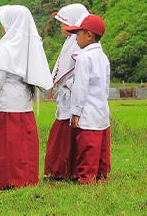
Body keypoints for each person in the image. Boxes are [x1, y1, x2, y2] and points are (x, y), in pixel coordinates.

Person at [0, 5, 53, 191]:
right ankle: (27, 178)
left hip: (6, 102)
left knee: (8, 145)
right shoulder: (29, 44)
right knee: (23, 144)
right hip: (24, 102)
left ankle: (7, 180)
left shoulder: (6, 46)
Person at [64, 13, 111, 184]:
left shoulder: (83, 57)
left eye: (78, 34)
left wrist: (75, 112)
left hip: (87, 111)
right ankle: (102, 175)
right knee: (102, 149)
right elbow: (105, 86)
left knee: (88, 147)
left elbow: (80, 87)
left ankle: (87, 178)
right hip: (101, 110)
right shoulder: (103, 57)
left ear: (89, 35)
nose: (76, 38)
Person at [44, 3, 89, 180]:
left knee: (67, 134)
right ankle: (61, 170)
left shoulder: (78, 44)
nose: (62, 27)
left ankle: (65, 171)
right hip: (66, 95)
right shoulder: (70, 42)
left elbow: (80, 70)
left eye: (64, 23)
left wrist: (67, 85)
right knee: (62, 134)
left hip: (73, 95)